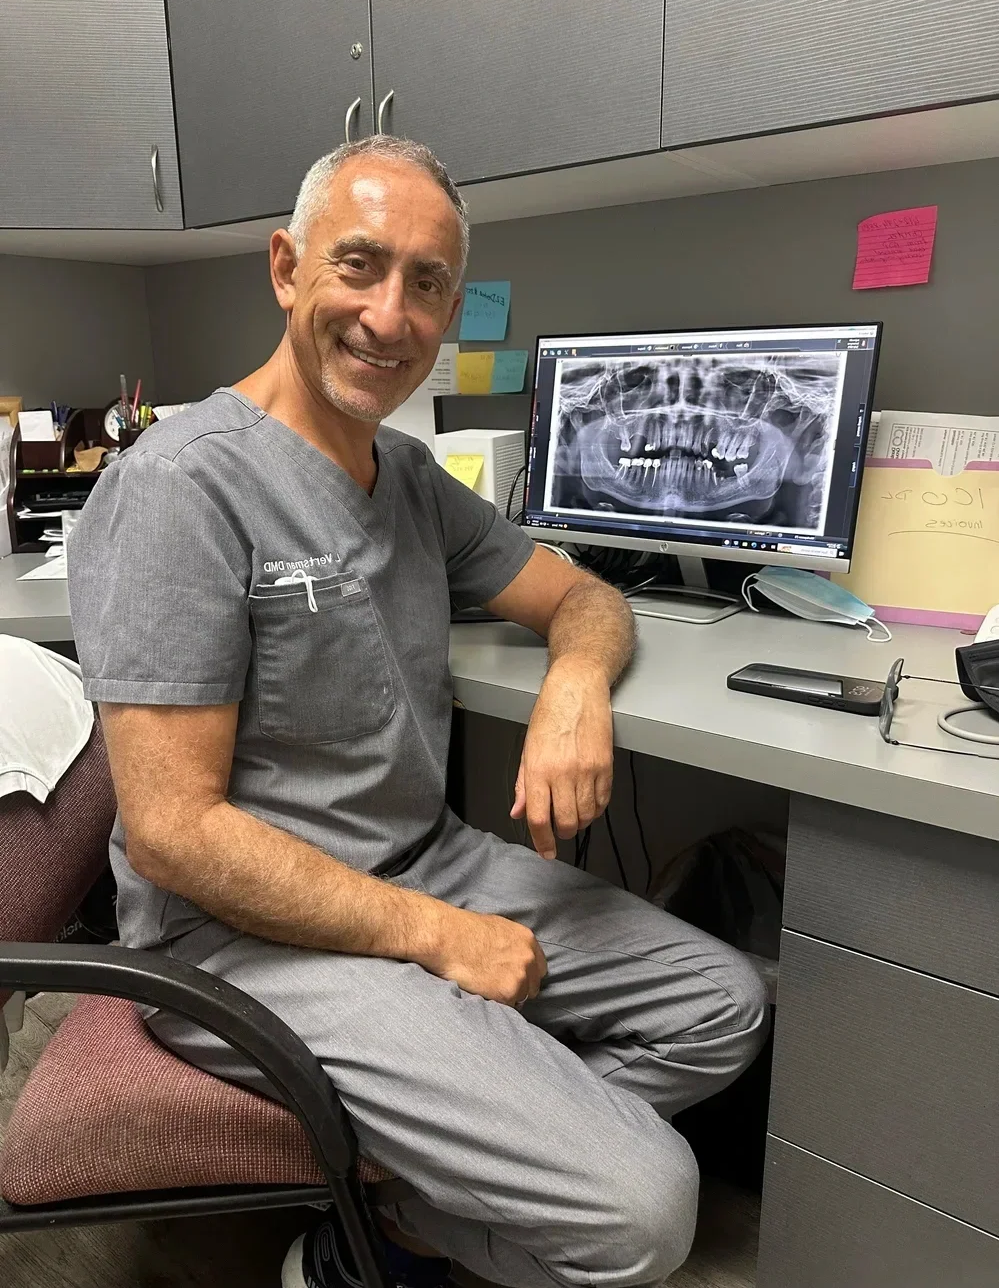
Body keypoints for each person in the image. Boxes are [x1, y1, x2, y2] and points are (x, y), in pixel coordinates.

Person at [69, 135, 767, 1288]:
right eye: (359, 265)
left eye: (427, 284)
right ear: (287, 268)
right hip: (242, 938)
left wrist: (574, 688)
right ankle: (410, 1225)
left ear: (451, 310)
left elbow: (582, 596)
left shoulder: (405, 478)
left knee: (725, 1005)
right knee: (649, 1210)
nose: (390, 316)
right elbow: (173, 833)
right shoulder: (181, 489)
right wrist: (438, 938)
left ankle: (411, 1208)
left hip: (420, 861)